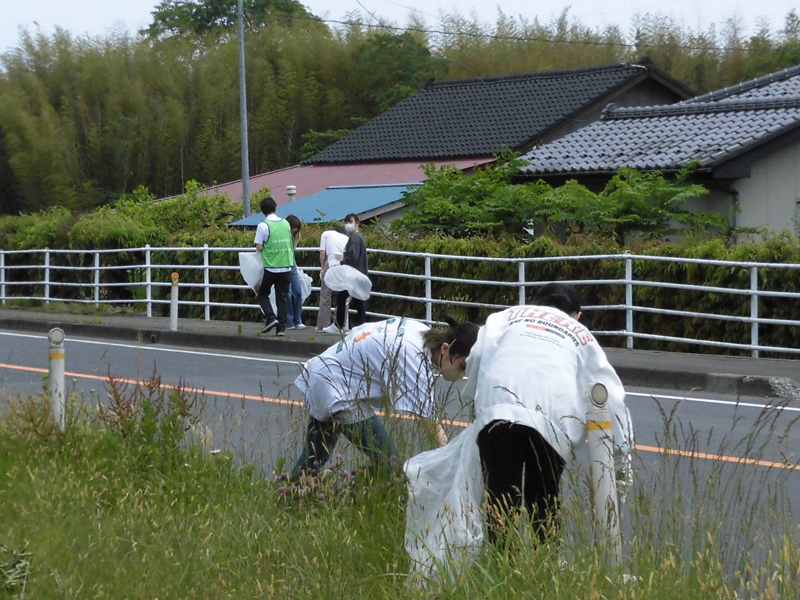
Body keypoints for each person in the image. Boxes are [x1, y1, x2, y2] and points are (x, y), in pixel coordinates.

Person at [404, 283, 634, 580]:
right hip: (554, 420)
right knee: (544, 499)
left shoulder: (506, 316)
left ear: (533, 302)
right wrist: (621, 462)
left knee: (501, 501)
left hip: (498, 410)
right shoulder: (580, 334)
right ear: (577, 315)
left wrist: (477, 398)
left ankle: (503, 574)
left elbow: (476, 358)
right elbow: (610, 396)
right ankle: (545, 570)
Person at [290, 316, 479, 480]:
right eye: (462, 366)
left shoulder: (419, 331)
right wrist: (451, 462)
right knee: (390, 463)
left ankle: (288, 496)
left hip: (326, 373)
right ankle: (358, 497)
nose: (462, 375)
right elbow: (430, 423)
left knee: (314, 457)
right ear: (445, 348)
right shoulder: (412, 356)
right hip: (338, 387)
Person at [253, 197, 294, 337]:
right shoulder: (286, 223)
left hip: (271, 267)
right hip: (286, 266)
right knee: (282, 298)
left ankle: (271, 317)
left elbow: (259, 247)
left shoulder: (263, 226)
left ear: (262, 211)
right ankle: (281, 329)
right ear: (276, 208)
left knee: (262, 293)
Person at [325, 214, 368, 333]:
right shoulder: (357, 237)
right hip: (357, 274)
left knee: (345, 298)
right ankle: (360, 327)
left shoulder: (355, 238)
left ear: (357, 222)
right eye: (346, 222)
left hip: (353, 274)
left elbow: (353, 257)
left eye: (350, 221)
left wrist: (341, 262)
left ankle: (339, 325)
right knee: (357, 301)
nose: (348, 224)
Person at [315, 225, 349, 332]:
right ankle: (341, 324)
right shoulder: (346, 238)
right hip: (343, 263)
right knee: (343, 295)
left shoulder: (326, 234)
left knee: (325, 295)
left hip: (331, 260)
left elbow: (322, 252)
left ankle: (323, 324)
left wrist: (322, 268)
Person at [284, 215, 306, 330]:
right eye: (294, 228)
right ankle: (289, 321)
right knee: (287, 293)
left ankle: (298, 320)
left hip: (292, 263)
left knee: (297, 291)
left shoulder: (295, 237)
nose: (295, 231)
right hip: (283, 263)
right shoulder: (283, 235)